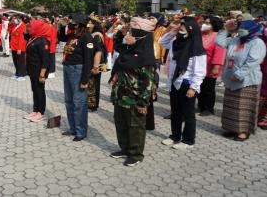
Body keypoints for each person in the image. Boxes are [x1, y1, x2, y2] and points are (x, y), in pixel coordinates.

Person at [109, 17, 156, 167]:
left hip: (135, 98)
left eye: (133, 32)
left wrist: (143, 102)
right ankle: (125, 149)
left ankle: (136, 154)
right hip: (120, 95)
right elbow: (117, 46)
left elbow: (148, 82)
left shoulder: (146, 55)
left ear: (141, 36)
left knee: (135, 127)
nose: (130, 34)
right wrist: (121, 34)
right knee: (121, 124)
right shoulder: (130, 49)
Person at [160, 17, 206, 150]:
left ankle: (188, 140)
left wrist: (194, 87)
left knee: (188, 113)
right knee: (175, 112)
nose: (180, 31)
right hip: (175, 82)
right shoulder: (176, 42)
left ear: (191, 30)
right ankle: (175, 136)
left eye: (183, 29)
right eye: (180, 28)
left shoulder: (197, 48)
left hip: (188, 84)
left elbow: (200, 71)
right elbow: (162, 42)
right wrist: (172, 31)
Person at [216, 20, 266, 141]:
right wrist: (226, 29)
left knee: (243, 107)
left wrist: (239, 74)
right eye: (240, 28)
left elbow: (253, 61)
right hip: (231, 80)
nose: (241, 30)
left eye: (244, 28)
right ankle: (231, 128)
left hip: (247, 81)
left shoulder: (257, 43)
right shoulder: (236, 40)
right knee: (231, 106)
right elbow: (219, 42)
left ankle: (243, 131)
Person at [62, 14, 94, 142]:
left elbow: (88, 60)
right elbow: (61, 37)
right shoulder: (73, 35)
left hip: (78, 70)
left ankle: (81, 131)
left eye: (73, 22)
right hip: (67, 68)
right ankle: (73, 128)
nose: (71, 23)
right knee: (69, 100)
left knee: (79, 102)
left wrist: (85, 80)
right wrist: (62, 26)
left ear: (80, 23)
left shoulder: (87, 37)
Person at [198, 16, 226, 116]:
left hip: (210, 66)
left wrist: (216, 67)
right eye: (204, 22)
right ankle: (200, 106)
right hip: (199, 66)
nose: (204, 24)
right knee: (199, 87)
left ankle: (208, 108)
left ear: (214, 25)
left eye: (208, 23)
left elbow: (219, 53)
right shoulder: (201, 34)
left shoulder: (218, 37)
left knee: (208, 88)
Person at [24, 19, 51, 122]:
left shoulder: (43, 41)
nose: (29, 28)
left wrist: (42, 74)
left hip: (39, 71)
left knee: (40, 91)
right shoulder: (33, 38)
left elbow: (45, 59)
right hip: (32, 70)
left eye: (31, 27)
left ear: (37, 28)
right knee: (34, 90)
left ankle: (41, 112)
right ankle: (35, 110)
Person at [87, 15, 106, 112]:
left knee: (94, 83)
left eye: (90, 23)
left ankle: (93, 104)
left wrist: (95, 66)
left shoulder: (97, 35)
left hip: (97, 63)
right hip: (95, 62)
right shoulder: (93, 33)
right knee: (92, 83)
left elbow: (99, 51)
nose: (88, 24)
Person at [10, 15, 27, 81]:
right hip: (14, 46)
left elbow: (21, 39)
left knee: (20, 61)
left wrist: (19, 48)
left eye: (16, 19)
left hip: (19, 47)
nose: (15, 20)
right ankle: (17, 73)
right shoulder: (16, 25)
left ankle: (21, 75)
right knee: (15, 61)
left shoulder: (23, 26)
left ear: (20, 19)